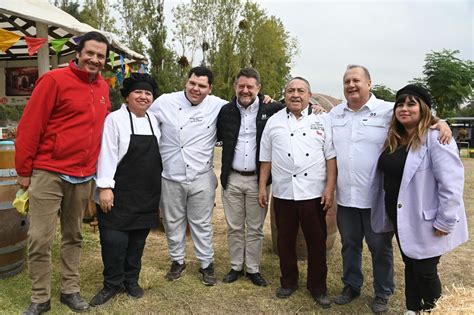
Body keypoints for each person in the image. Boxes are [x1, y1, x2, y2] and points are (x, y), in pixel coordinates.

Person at [330, 65, 452, 313]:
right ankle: (351, 285)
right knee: (349, 244)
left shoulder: (388, 110)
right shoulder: (334, 114)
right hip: (346, 196)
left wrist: (442, 123)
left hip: (376, 198)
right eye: (347, 81)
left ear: (369, 83)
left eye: (356, 80)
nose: (351, 85)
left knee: (380, 247)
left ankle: (383, 292)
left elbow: (420, 115)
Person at [15, 31, 111, 314]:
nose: (95, 59)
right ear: (78, 53)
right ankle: (40, 297)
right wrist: (23, 171)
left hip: (83, 175)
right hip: (49, 172)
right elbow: (30, 127)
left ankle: (70, 290)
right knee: (39, 237)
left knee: (74, 236)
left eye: (101, 56)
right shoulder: (53, 80)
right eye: (90, 53)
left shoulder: (103, 89)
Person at [372, 84, 468, 313]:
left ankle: (434, 310)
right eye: (400, 104)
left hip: (426, 219)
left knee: (425, 271)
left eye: (411, 104)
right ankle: (412, 309)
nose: (404, 109)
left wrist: (445, 221)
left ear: (423, 109)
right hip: (399, 215)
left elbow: (451, 184)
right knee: (410, 264)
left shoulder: (436, 138)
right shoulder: (395, 138)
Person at [258, 77, 336, 309]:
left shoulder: (323, 120)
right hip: (283, 193)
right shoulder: (274, 121)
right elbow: (266, 158)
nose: (295, 94)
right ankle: (288, 281)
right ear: (284, 94)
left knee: (317, 242)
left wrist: (330, 188)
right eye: (291, 90)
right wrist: (262, 186)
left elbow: (331, 158)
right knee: (285, 241)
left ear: (309, 96)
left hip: (313, 193)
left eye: (300, 90)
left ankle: (318, 287)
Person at [89, 73, 161, 306]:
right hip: (118, 192)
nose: (143, 97)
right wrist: (105, 188)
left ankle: (131, 280)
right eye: (138, 92)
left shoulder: (154, 121)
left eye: (148, 93)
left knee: (137, 242)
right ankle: (112, 283)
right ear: (127, 96)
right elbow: (107, 155)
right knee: (114, 241)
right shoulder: (114, 120)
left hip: (146, 194)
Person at [216, 68, 284, 287]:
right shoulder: (225, 111)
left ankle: (253, 269)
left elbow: (297, 106)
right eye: (241, 86)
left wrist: (317, 108)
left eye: (250, 87)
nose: (245, 90)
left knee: (255, 228)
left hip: (259, 180)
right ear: (235, 86)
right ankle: (236, 266)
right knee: (235, 227)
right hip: (232, 178)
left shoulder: (272, 109)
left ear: (259, 88)